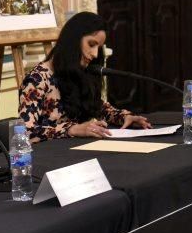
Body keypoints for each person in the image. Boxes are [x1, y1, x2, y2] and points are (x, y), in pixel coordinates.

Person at [18, 12, 151, 143]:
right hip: (49, 158)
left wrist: (124, 117)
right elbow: (24, 132)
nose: (94, 54)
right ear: (73, 39)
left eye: (98, 48)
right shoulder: (37, 79)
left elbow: (99, 108)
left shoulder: (79, 71)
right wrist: (72, 129)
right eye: (91, 44)